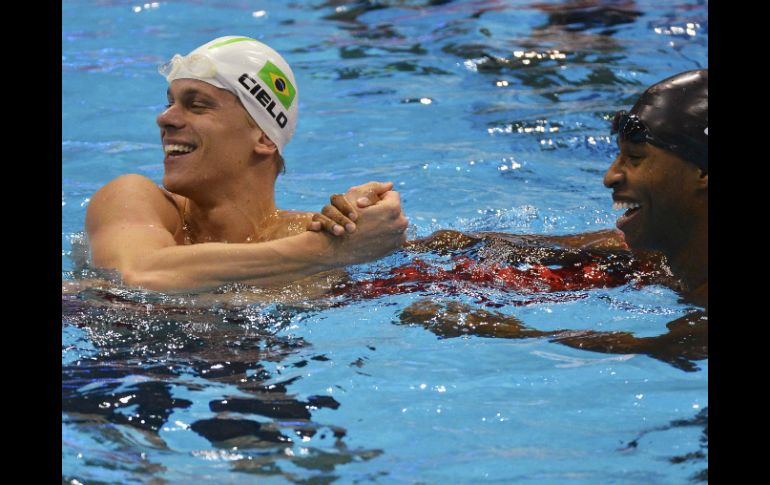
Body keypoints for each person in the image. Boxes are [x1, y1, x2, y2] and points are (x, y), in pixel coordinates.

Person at [312, 69, 708, 371]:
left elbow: (664, 351)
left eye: (635, 159)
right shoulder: (656, 254)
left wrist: (505, 331)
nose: (610, 176)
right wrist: (380, 238)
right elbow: (530, 247)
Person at [84, 36, 408, 293]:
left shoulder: (313, 234)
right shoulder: (132, 198)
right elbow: (135, 274)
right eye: (170, 103)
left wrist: (370, 222)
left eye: (196, 105)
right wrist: (328, 252)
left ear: (264, 138)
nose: (164, 118)